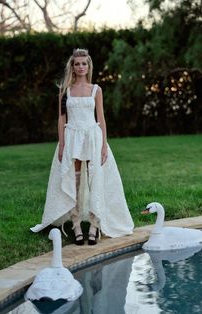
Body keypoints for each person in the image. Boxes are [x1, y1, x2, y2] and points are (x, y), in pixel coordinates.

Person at [30, 48, 134, 245]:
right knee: (74, 182)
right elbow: (61, 119)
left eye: (83, 63)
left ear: (88, 66)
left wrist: (104, 145)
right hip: (72, 139)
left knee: (94, 180)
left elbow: (101, 119)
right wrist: (61, 145)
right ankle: (76, 224)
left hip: (93, 138)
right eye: (77, 64)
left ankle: (94, 226)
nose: (80, 67)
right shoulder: (65, 90)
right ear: (72, 66)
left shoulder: (96, 90)